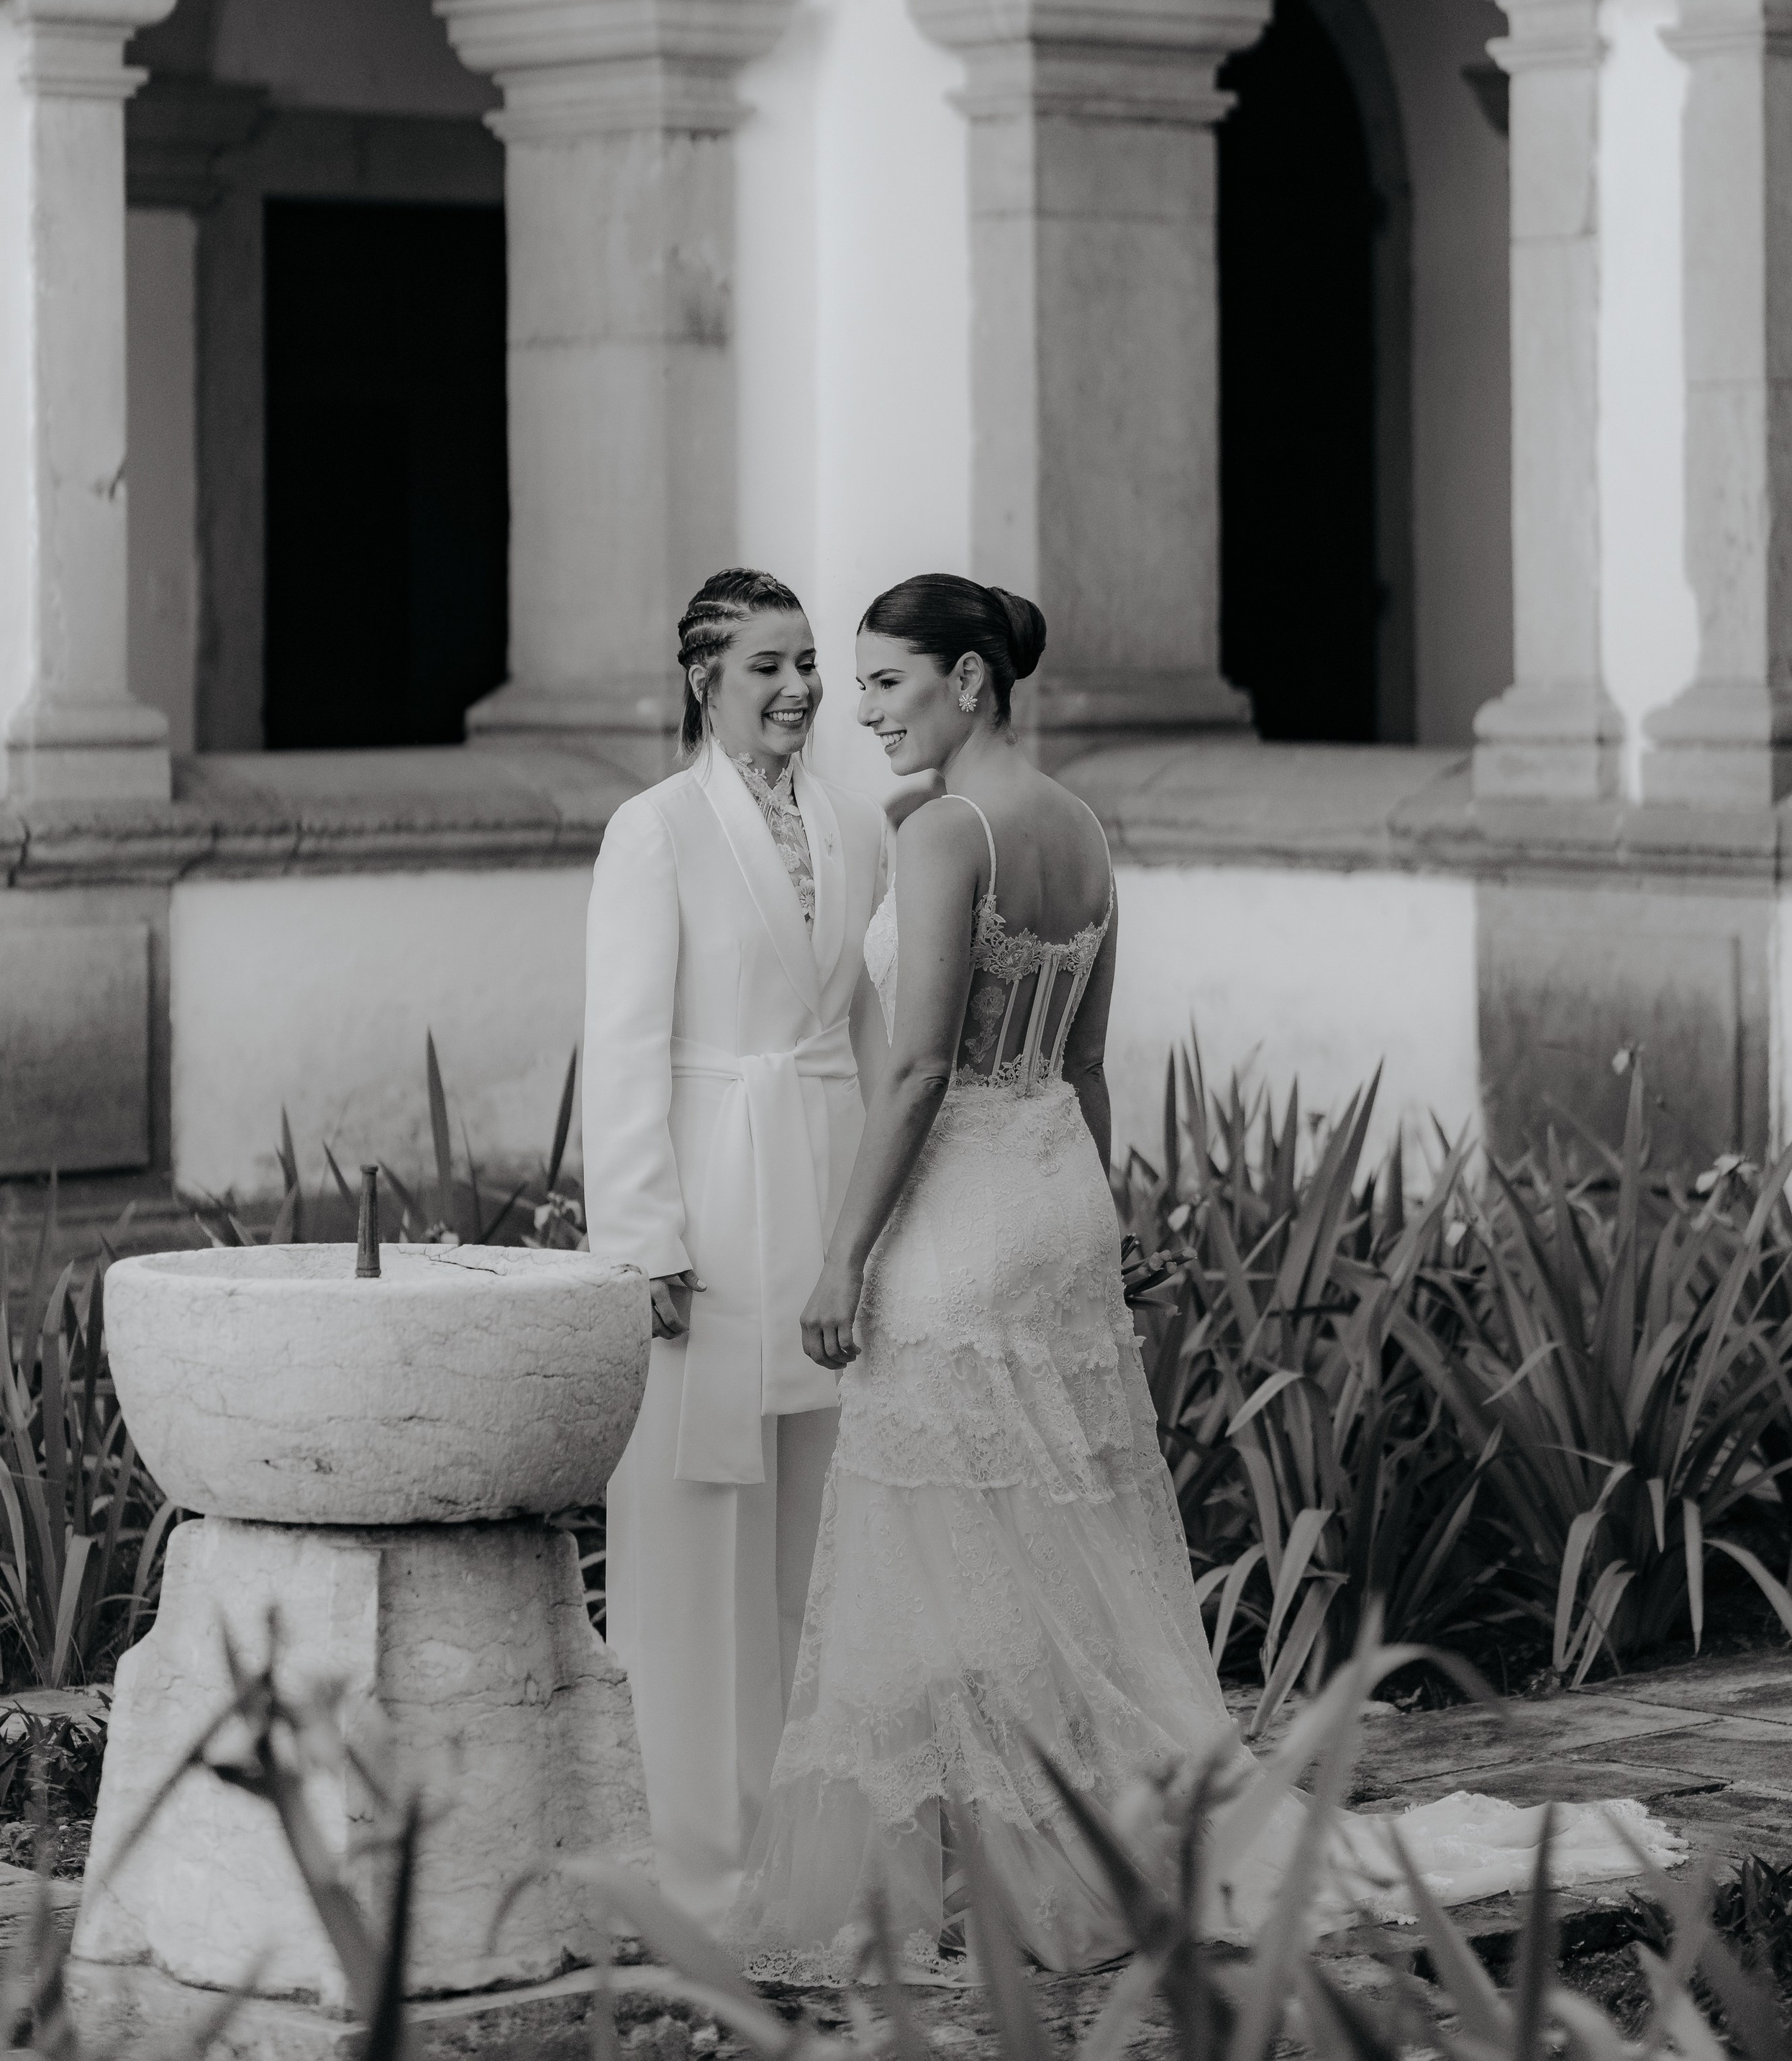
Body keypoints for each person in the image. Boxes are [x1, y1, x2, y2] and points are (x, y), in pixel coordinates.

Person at [727, 574, 1681, 1979]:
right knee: (1049, 1538)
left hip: (961, 1220)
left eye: (883, 682)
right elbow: (1084, 1064)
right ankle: (1056, 1845)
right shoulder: (1078, 829)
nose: (859, 710)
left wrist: (842, 1255)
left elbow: (922, 1068)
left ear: (969, 681)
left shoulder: (941, 835)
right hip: (1052, 1195)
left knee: (940, 1546)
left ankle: (1003, 1871)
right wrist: (1100, 1224)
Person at [583, 568, 887, 1926]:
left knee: (816, 1540)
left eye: (809, 661)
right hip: (708, 1199)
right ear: (705, 680)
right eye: (769, 665)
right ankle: (698, 1864)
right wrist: (644, 1240)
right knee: (697, 1534)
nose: (801, 688)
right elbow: (623, 1045)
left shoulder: (857, 824)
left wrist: (883, 1214)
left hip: (824, 1195)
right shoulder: (653, 831)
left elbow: (869, 1026)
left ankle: (806, 1848)